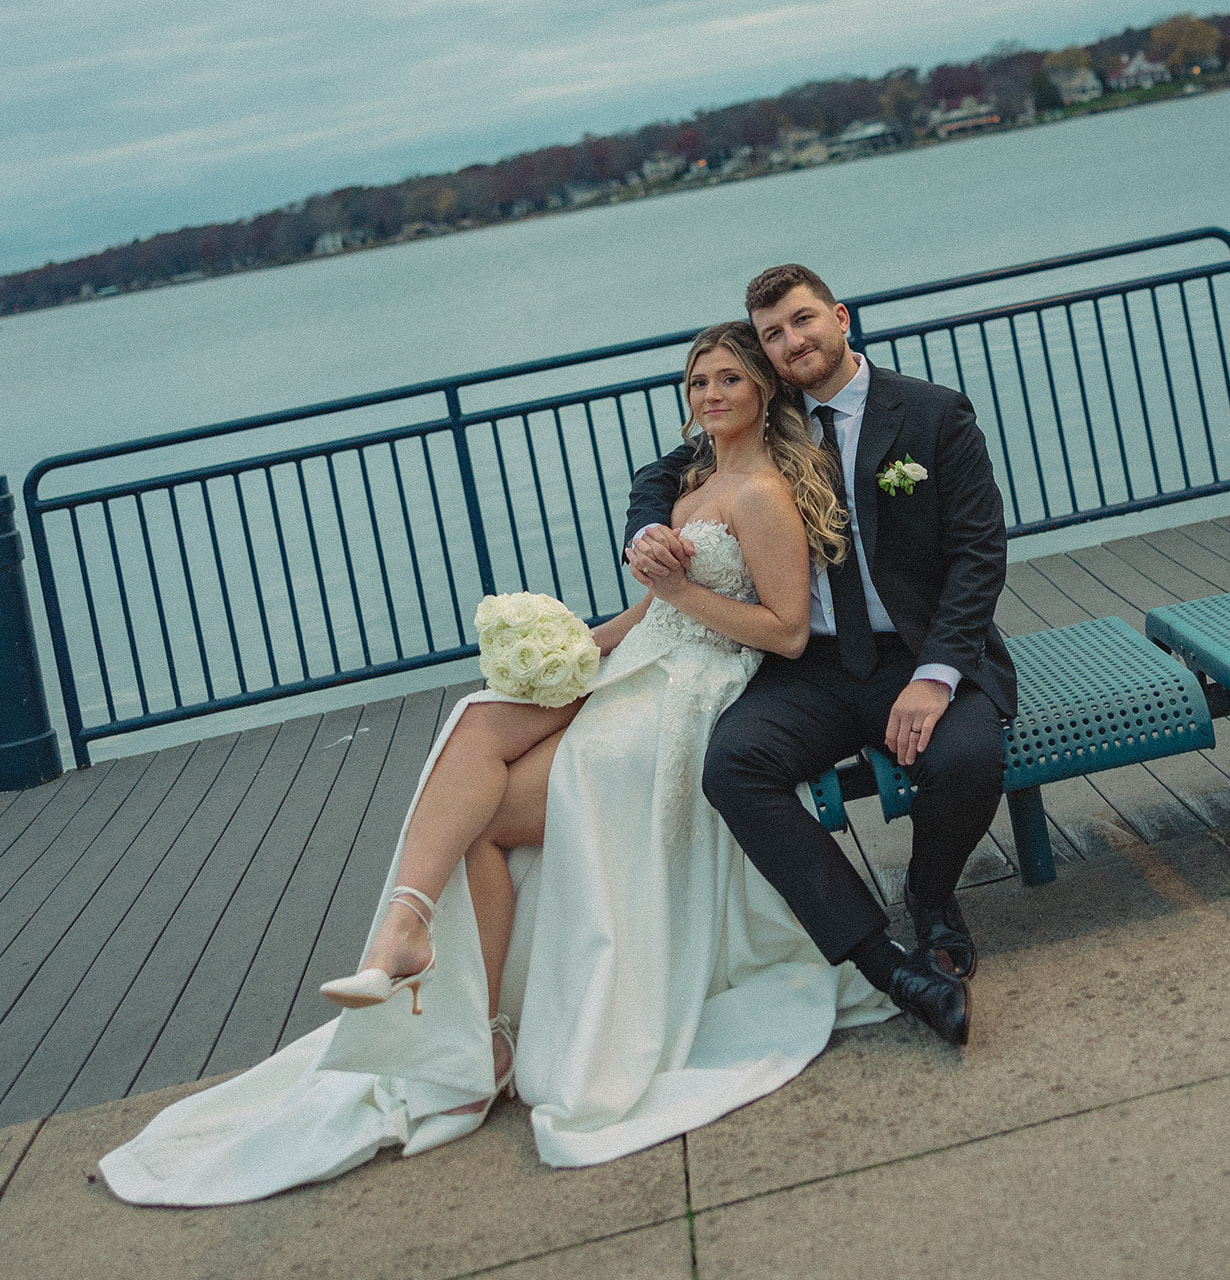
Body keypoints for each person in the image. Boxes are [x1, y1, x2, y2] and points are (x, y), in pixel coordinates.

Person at [98, 322, 894, 1205]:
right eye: (698, 381)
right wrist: (578, 650)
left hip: (692, 691)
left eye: (729, 382)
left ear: (762, 394)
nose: (710, 395)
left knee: (484, 820)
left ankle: (479, 1030)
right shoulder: (695, 480)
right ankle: (414, 941)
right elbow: (650, 616)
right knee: (477, 718)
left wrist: (680, 595)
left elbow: (783, 632)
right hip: (643, 660)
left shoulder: (762, 495)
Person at [626, 264, 1017, 1047]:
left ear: (840, 318)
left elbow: (979, 554)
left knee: (970, 759)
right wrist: (645, 530)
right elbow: (663, 471)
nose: (791, 342)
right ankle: (888, 965)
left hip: (917, 652)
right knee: (734, 766)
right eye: (772, 334)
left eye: (802, 321)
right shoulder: (769, 418)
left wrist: (937, 679)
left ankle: (932, 895)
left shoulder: (934, 416)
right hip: (812, 663)